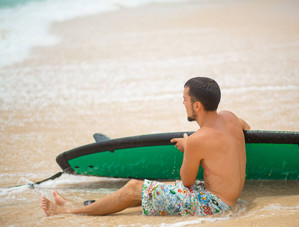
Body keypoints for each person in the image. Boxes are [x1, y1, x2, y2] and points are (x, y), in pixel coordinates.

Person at [41, 77, 250, 216]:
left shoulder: (198, 139)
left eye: (184, 99)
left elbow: (187, 181)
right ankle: (85, 205)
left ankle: (69, 213)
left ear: (197, 106)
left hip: (214, 206)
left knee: (135, 187)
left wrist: (189, 147)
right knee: (152, 190)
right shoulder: (230, 117)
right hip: (227, 197)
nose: (183, 103)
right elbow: (245, 128)